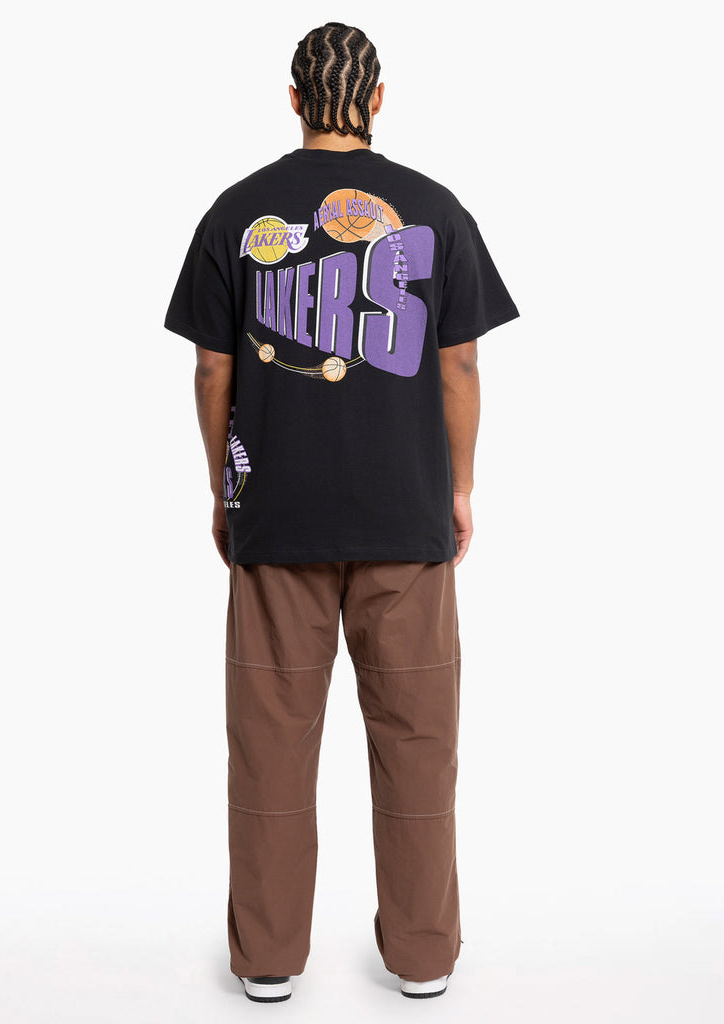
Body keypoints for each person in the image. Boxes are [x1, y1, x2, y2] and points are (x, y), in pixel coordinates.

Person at [163, 21, 519, 1004]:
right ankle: (423, 959)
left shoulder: (236, 213)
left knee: (268, 747)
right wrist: (460, 487)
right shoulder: (436, 211)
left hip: (277, 518)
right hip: (407, 520)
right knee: (419, 747)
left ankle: (268, 959)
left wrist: (223, 487)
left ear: (293, 100)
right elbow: (459, 364)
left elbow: (211, 370)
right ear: (378, 98)